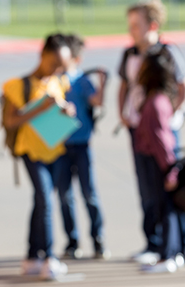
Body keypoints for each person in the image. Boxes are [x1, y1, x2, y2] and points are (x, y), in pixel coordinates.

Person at [117, 0, 185, 266]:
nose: (132, 30)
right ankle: (155, 243)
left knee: (171, 187)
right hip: (138, 127)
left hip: (160, 128)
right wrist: (124, 113)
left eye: (136, 24)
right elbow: (124, 86)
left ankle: (183, 246)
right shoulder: (130, 54)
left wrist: (171, 116)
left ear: (152, 25)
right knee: (148, 189)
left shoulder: (166, 53)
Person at [2, 34, 75, 280]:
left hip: (54, 148)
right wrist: (39, 109)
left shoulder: (60, 81)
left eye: (61, 66)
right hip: (30, 150)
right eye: (54, 63)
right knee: (45, 199)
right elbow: (10, 121)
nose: (57, 69)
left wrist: (67, 110)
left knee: (41, 201)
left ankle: (32, 255)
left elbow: (65, 106)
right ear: (43, 55)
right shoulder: (19, 85)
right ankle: (50, 256)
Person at [55, 34, 111, 260]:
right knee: (64, 195)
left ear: (75, 58)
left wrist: (103, 83)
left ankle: (97, 238)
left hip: (82, 144)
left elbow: (97, 101)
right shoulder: (54, 81)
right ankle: (72, 240)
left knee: (90, 194)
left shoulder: (81, 81)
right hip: (60, 145)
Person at [134, 51, 181, 274]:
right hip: (157, 161)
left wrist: (170, 171)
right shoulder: (157, 98)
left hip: (158, 163)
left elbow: (161, 140)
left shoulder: (155, 103)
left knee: (165, 209)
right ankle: (171, 252)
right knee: (164, 208)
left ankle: (167, 255)